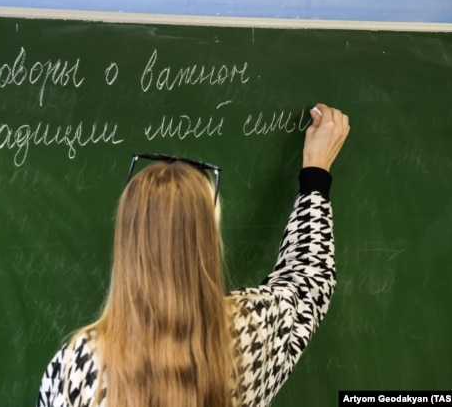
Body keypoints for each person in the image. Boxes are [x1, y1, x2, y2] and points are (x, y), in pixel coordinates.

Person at [36, 103, 350, 407]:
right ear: (208, 242)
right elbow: (310, 279)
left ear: (127, 242)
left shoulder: (78, 368)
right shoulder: (250, 330)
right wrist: (316, 171)